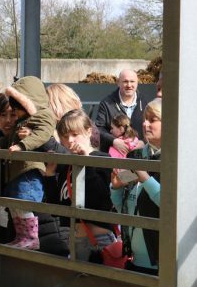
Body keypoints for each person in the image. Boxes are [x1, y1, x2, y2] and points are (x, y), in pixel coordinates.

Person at [0, 76, 56, 250]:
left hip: (29, 171)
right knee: (16, 205)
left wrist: (23, 144)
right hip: (17, 171)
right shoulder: (21, 122)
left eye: (16, 108)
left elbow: (42, 134)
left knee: (24, 203)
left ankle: (31, 237)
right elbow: (9, 138)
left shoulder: (43, 116)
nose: (13, 114)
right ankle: (22, 236)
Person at [43, 109, 114, 261]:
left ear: (88, 132)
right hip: (74, 240)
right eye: (65, 136)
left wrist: (85, 162)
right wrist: (49, 174)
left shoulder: (102, 158)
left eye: (75, 134)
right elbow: (56, 208)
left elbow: (100, 199)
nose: (70, 140)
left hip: (99, 239)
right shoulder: (67, 165)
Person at [110, 98, 162, 275]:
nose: (145, 124)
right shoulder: (136, 155)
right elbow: (124, 208)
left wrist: (144, 176)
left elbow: (170, 205)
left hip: (161, 264)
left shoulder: (177, 161)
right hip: (133, 259)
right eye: (144, 119)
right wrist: (116, 188)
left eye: (152, 119)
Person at [94, 69, 147, 153]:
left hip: (140, 158)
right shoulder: (106, 103)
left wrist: (143, 143)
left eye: (132, 81)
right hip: (113, 159)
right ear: (118, 82)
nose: (129, 85)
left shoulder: (145, 103)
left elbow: (153, 129)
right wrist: (114, 141)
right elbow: (99, 129)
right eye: (125, 81)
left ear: (137, 83)